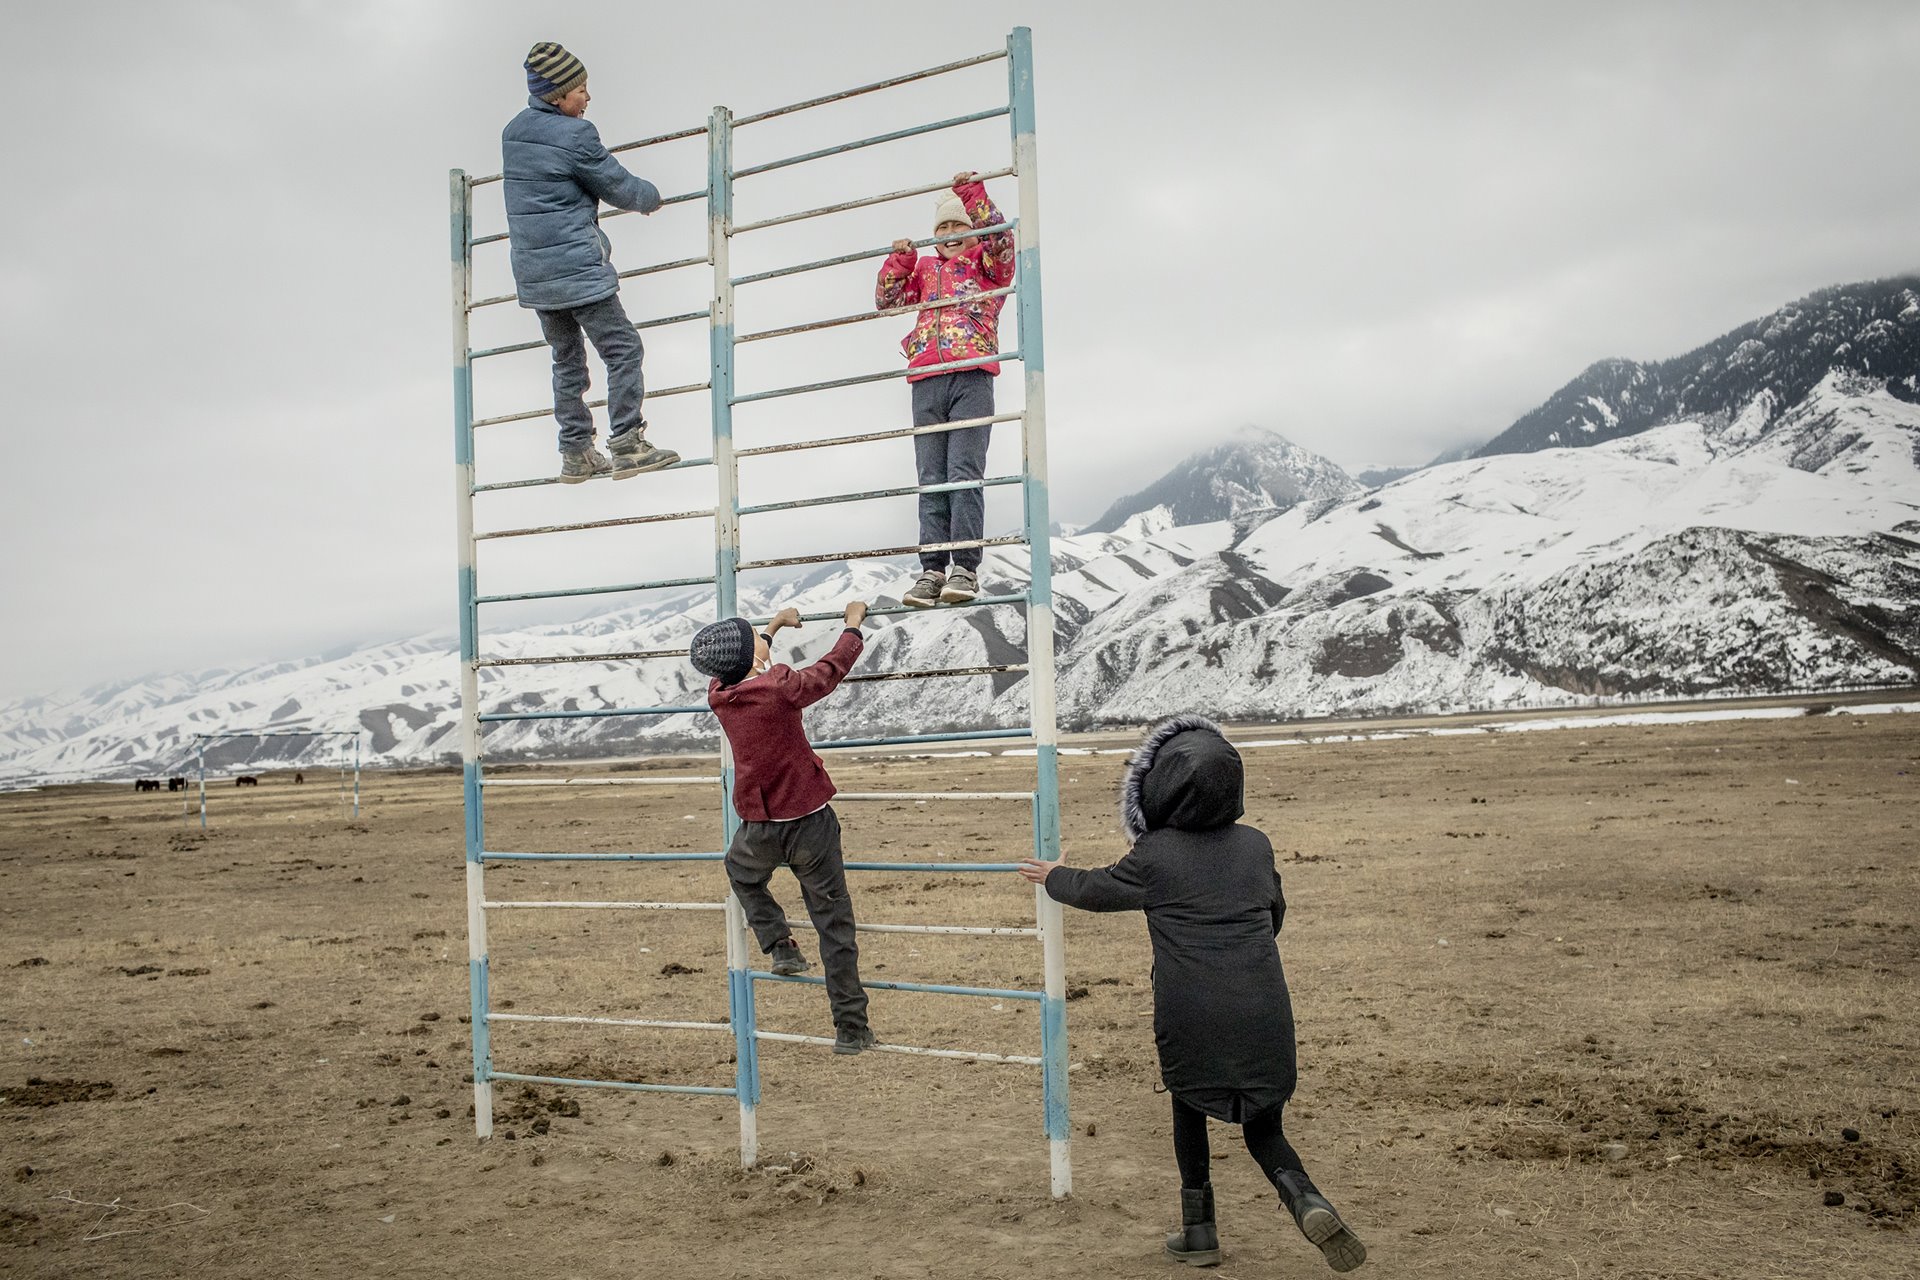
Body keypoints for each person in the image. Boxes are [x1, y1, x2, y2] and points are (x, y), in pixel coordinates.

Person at [1018, 714, 1366, 1273]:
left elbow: (1096, 889)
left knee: (1189, 1106)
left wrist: (1055, 874)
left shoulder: (1157, 854)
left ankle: (1199, 1231)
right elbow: (1273, 914)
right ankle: (1307, 1199)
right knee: (1264, 1126)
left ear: (1160, 788)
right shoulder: (1255, 846)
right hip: (1263, 1004)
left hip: (1190, 1009)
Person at [688, 602, 877, 1055]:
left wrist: (772, 627)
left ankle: (779, 944)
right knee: (834, 925)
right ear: (754, 657)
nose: (760, 636)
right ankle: (850, 1028)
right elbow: (829, 671)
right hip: (809, 821)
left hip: (759, 825)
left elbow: (750, 664)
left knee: (742, 872)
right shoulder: (782, 687)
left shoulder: (719, 694)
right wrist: (852, 626)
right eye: (754, 634)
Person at [502, 42, 680, 485]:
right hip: (578, 269)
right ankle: (628, 443)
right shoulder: (576, 135)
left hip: (536, 276)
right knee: (623, 349)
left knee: (567, 361)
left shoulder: (513, 133)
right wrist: (652, 198)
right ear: (556, 96)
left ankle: (576, 451)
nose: (587, 98)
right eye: (579, 89)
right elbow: (617, 185)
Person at [874, 172, 1015, 608]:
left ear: (972, 231)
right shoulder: (925, 271)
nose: (952, 234)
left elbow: (1002, 241)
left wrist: (973, 197)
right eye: (943, 228)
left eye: (959, 227)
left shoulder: (987, 269)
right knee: (932, 480)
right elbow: (887, 300)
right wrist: (899, 262)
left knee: (963, 473)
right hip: (926, 379)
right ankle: (931, 570)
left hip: (971, 374)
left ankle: (964, 568)